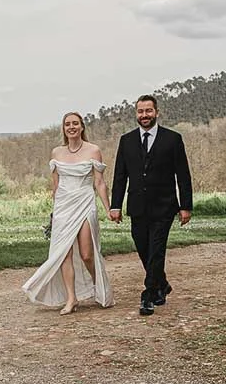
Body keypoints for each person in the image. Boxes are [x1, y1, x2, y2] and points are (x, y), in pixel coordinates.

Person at [22, 112, 115, 314]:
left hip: (84, 203)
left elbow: (99, 183)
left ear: (82, 127)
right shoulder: (57, 153)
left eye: (75, 123)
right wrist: (54, 213)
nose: (71, 127)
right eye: (67, 124)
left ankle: (100, 287)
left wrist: (108, 209)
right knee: (64, 252)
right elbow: (55, 186)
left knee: (86, 254)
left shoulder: (93, 150)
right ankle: (71, 298)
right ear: (64, 129)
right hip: (64, 207)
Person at [108, 95, 193, 316]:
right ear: (136, 114)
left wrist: (186, 206)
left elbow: (183, 176)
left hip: (164, 206)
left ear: (157, 112)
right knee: (143, 247)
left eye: (148, 111)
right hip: (137, 206)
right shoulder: (126, 141)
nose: (144, 115)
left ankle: (148, 295)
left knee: (156, 249)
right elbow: (120, 176)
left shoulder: (173, 139)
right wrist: (115, 205)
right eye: (140, 112)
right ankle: (161, 285)